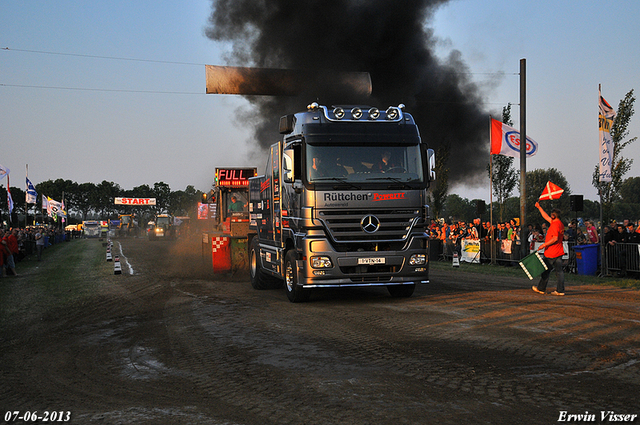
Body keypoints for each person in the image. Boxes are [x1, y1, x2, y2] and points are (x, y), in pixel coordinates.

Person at [532, 202, 565, 296]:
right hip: (558, 251)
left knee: (546, 270)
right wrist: (539, 207)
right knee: (559, 272)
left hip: (552, 252)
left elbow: (555, 238)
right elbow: (545, 216)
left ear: (553, 216)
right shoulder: (559, 223)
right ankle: (560, 290)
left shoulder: (554, 225)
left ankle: (541, 288)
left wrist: (544, 245)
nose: (550, 216)